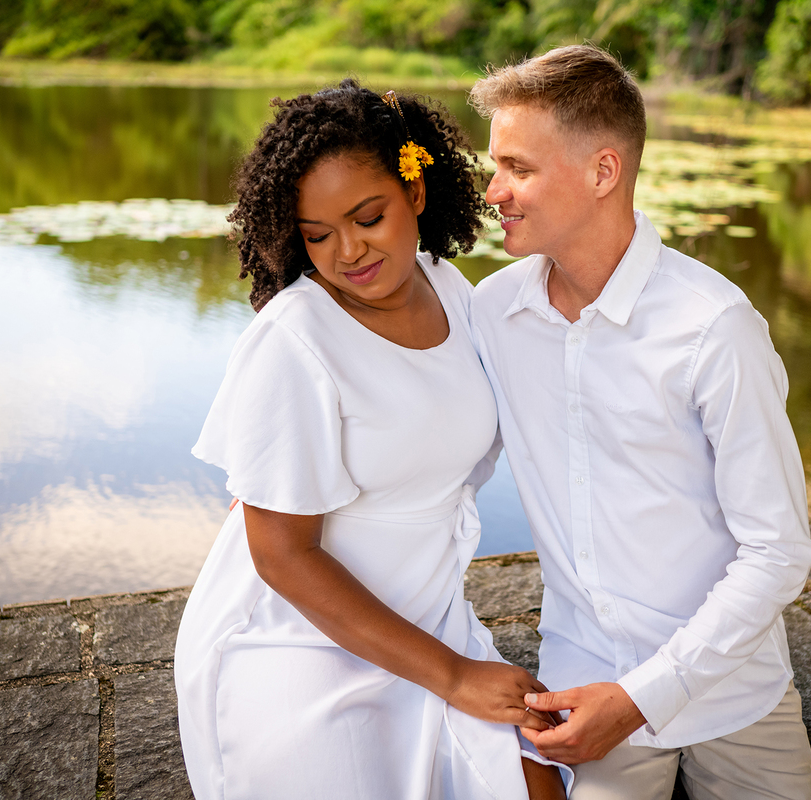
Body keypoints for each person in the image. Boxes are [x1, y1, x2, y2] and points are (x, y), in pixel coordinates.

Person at [174, 80, 569, 800]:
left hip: (426, 613)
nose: (347, 250)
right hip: (300, 641)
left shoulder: (450, 289)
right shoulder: (294, 340)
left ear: (414, 191)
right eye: (317, 235)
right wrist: (453, 677)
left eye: (368, 216)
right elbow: (282, 558)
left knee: (536, 783)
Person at [467, 46, 811, 799]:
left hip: (735, 692)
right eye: (495, 166)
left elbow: (778, 550)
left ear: (602, 172)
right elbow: (437, 458)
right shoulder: (492, 313)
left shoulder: (714, 328)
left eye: (517, 168)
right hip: (580, 682)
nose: (493, 190)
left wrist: (640, 699)